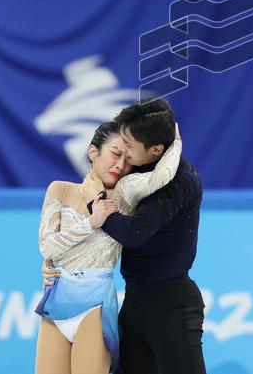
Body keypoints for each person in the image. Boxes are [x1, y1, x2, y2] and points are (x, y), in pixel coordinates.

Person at [43, 97, 206, 374]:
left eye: (129, 147)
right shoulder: (133, 169)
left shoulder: (180, 181)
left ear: (155, 150)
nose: (123, 157)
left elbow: (134, 233)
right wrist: (56, 261)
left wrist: (96, 203)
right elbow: (74, 240)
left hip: (172, 304)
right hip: (134, 302)